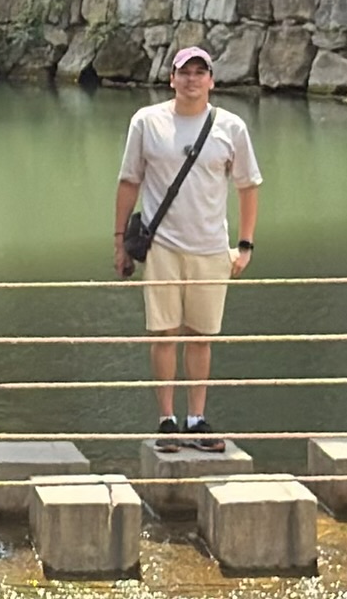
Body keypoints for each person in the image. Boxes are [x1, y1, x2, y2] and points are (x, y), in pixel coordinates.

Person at [111, 38, 260, 432]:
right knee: (163, 335)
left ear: (211, 81)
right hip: (162, 247)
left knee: (201, 337)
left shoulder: (231, 126)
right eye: (184, 72)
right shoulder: (147, 121)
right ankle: (166, 418)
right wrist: (118, 243)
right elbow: (129, 182)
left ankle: (196, 417)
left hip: (211, 248)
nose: (192, 79)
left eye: (199, 72)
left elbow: (248, 185)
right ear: (171, 78)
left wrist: (244, 244)